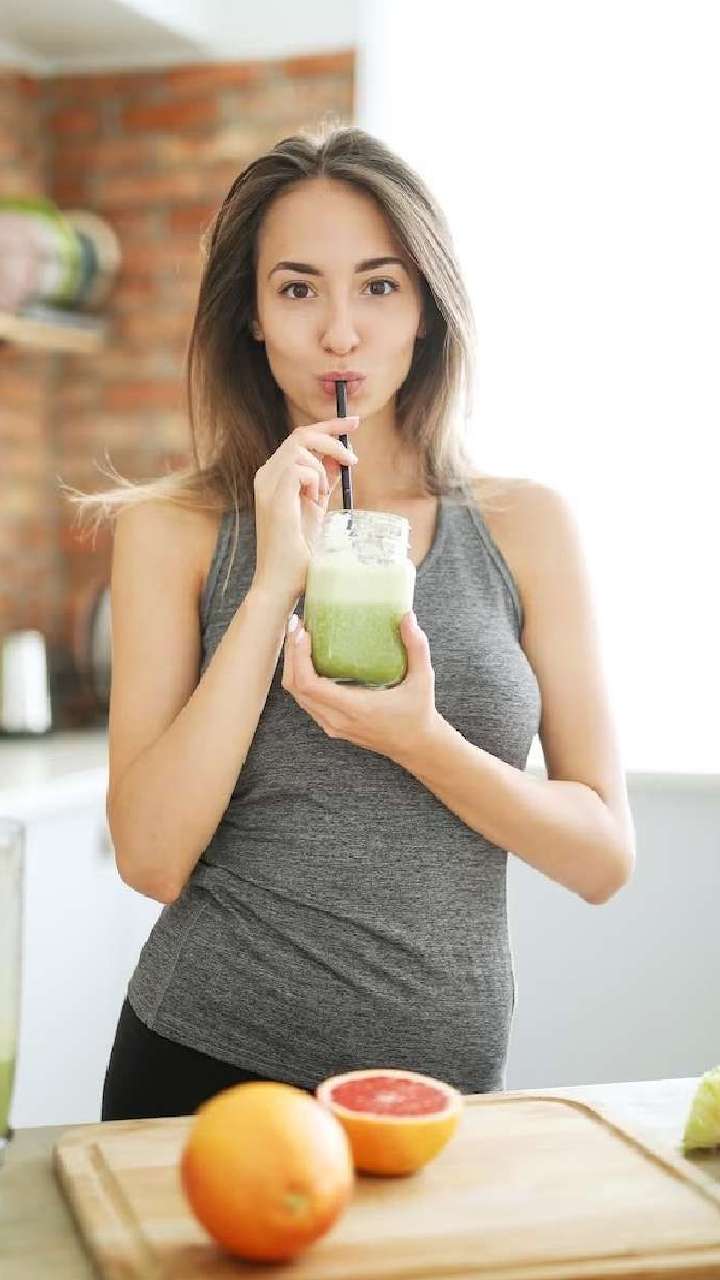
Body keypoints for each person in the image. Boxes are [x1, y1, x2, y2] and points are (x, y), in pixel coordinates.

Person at [66, 125, 635, 1121]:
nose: (341, 333)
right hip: (206, 1072)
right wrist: (273, 581)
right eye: (298, 290)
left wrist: (418, 739)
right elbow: (151, 857)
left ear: (427, 308)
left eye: (378, 285)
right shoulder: (174, 530)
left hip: (443, 1095)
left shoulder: (526, 525)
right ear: (251, 316)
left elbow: (601, 858)